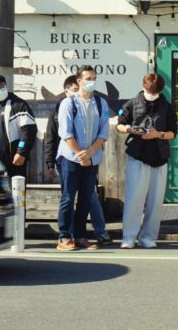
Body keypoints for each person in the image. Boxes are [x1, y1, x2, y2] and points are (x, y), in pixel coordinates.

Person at [44, 75, 112, 246]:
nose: (92, 81)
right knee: (68, 197)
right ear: (79, 80)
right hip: (69, 157)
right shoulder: (68, 103)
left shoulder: (100, 103)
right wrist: (80, 154)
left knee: (86, 198)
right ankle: (64, 236)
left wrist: (89, 153)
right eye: (89, 78)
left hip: (92, 158)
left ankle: (80, 236)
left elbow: (104, 132)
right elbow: (65, 133)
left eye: (95, 78)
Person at [116, 73, 176, 249]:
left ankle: (148, 237)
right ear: (143, 87)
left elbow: (173, 132)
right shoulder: (132, 103)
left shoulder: (166, 106)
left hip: (160, 156)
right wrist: (130, 130)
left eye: (155, 91)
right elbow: (119, 124)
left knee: (155, 201)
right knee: (134, 198)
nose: (152, 94)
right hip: (138, 154)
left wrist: (159, 134)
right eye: (150, 90)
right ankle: (128, 237)